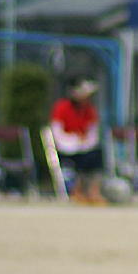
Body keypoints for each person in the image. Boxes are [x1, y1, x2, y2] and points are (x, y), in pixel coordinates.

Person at [49, 76, 106, 205]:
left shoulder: (89, 110)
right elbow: (57, 134)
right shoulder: (62, 107)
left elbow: (92, 134)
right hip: (66, 148)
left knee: (96, 155)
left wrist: (84, 142)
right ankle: (78, 191)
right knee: (84, 159)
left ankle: (93, 191)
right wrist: (75, 140)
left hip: (84, 148)